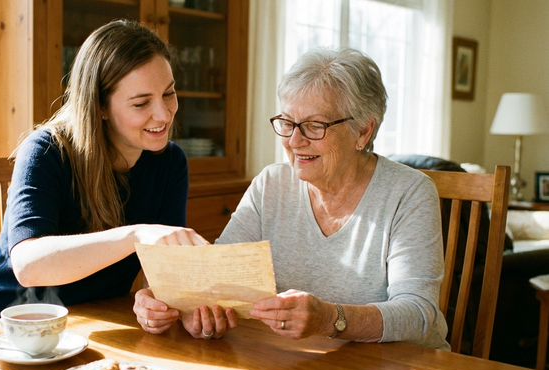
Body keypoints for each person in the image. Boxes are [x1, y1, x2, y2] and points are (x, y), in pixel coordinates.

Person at [135, 47, 450, 350]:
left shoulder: (409, 193)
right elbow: (216, 279)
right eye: (287, 123)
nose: (295, 141)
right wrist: (176, 305)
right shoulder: (272, 184)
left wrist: (331, 319)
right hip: (294, 364)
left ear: (363, 131)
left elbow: (419, 315)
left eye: (314, 126)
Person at [0, 19, 209, 328]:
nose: (164, 113)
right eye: (141, 102)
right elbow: (28, 264)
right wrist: (135, 234)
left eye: (168, 93)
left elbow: (164, 274)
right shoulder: (46, 151)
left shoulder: (170, 163)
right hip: (0, 329)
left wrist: (153, 303)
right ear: (99, 106)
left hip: (86, 329)